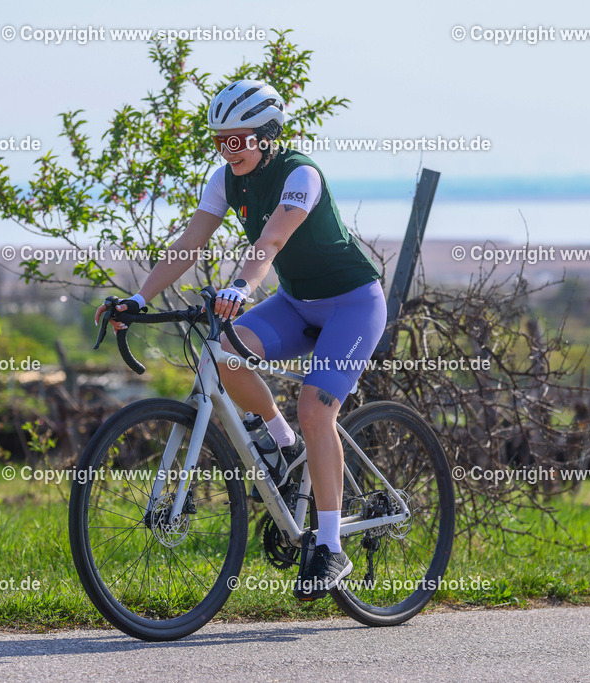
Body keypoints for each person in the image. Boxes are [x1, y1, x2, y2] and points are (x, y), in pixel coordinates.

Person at [95, 79, 387, 600]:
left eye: (236, 140)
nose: (226, 151)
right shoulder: (225, 181)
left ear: (266, 135)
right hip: (297, 303)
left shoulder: (302, 174)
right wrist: (138, 299)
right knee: (226, 353)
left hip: (352, 305)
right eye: (218, 141)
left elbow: (272, 240)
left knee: (317, 410)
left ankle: (328, 546)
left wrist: (239, 287)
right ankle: (281, 443)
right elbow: (187, 244)